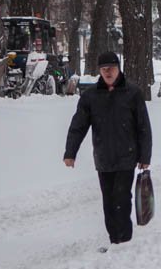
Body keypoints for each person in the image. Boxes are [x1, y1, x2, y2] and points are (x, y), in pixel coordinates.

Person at [64, 52, 152, 253]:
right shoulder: (91, 97)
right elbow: (78, 126)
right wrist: (70, 152)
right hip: (103, 158)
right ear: (99, 71)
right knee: (108, 202)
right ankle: (115, 241)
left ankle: (124, 241)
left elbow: (143, 127)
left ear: (118, 68)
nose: (108, 72)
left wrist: (145, 156)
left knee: (121, 199)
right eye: (104, 69)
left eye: (111, 68)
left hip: (126, 157)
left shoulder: (133, 93)